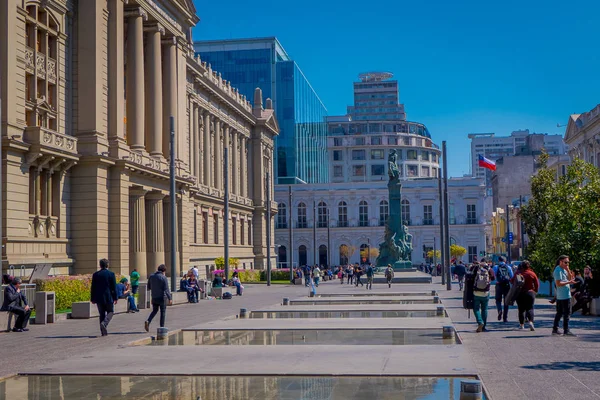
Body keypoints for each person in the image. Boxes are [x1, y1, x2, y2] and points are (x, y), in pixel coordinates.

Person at [90, 258, 118, 336]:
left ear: (100, 265)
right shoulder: (111, 274)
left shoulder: (96, 274)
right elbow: (113, 287)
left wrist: (92, 298)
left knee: (101, 314)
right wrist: (115, 298)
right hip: (108, 297)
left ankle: (103, 332)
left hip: (99, 298)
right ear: (107, 265)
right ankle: (104, 323)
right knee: (110, 312)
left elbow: (93, 287)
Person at [552, 255, 576, 336]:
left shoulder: (564, 269)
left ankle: (555, 329)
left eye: (568, 262)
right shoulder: (558, 270)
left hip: (565, 294)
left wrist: (568, 270)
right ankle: (566, 330)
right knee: (566, 313)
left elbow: (570, 278)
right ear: (560, 262)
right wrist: (569, 283)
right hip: (563, 296)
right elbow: (558, 284)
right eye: (566, 262)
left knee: (560, 313)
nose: (567, 264)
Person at [145, 264, 172, 332]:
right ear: (164, 271)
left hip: (154, 297)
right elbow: (166, 289)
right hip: (162, 297)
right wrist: (170, 298)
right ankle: (161, 327)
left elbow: (149, 287)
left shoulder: (151, 276)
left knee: (154, 310)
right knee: (162, 312)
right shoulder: (163, 277)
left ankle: (148, 321)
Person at [513, 261, 539, 331]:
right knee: (530, 308)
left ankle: (522, 325)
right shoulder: (531, 273)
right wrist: (535, 291)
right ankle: (530, 322)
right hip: (530, 293)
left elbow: (512, 281)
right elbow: (536, 283)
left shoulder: (518, 273)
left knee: (521, 309)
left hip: (520, 293)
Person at [472, 261, 496, 332]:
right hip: (486, 292)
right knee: (484, 309)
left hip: (476, 292)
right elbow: (494, 278)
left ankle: (480, 322)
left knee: (476, 308)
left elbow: (470, 277)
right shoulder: (489, 269)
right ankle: (484, 326)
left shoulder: (476, 268)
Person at [493, 257, 513, 322]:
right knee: (506, 301)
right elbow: (512, 276)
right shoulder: (508, 267)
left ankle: (499, 310)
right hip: (506, 285)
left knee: (498, 300)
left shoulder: (496, 267)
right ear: (505, 260)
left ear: (498, 260)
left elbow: (493, 275)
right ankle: (505, 318)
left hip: (499, 285)